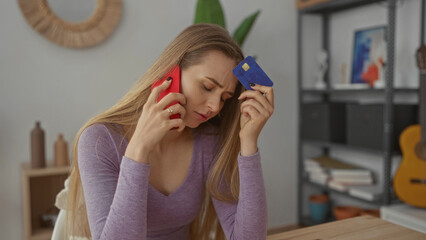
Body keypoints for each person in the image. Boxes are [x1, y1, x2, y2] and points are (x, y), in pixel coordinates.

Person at [62, 23, 274, 240]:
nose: (215, 106)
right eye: (207, 87)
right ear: (170, 73)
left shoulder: (209, 142)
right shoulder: (99, 141)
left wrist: (248, 143)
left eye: (224, 98)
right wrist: (139, 149)